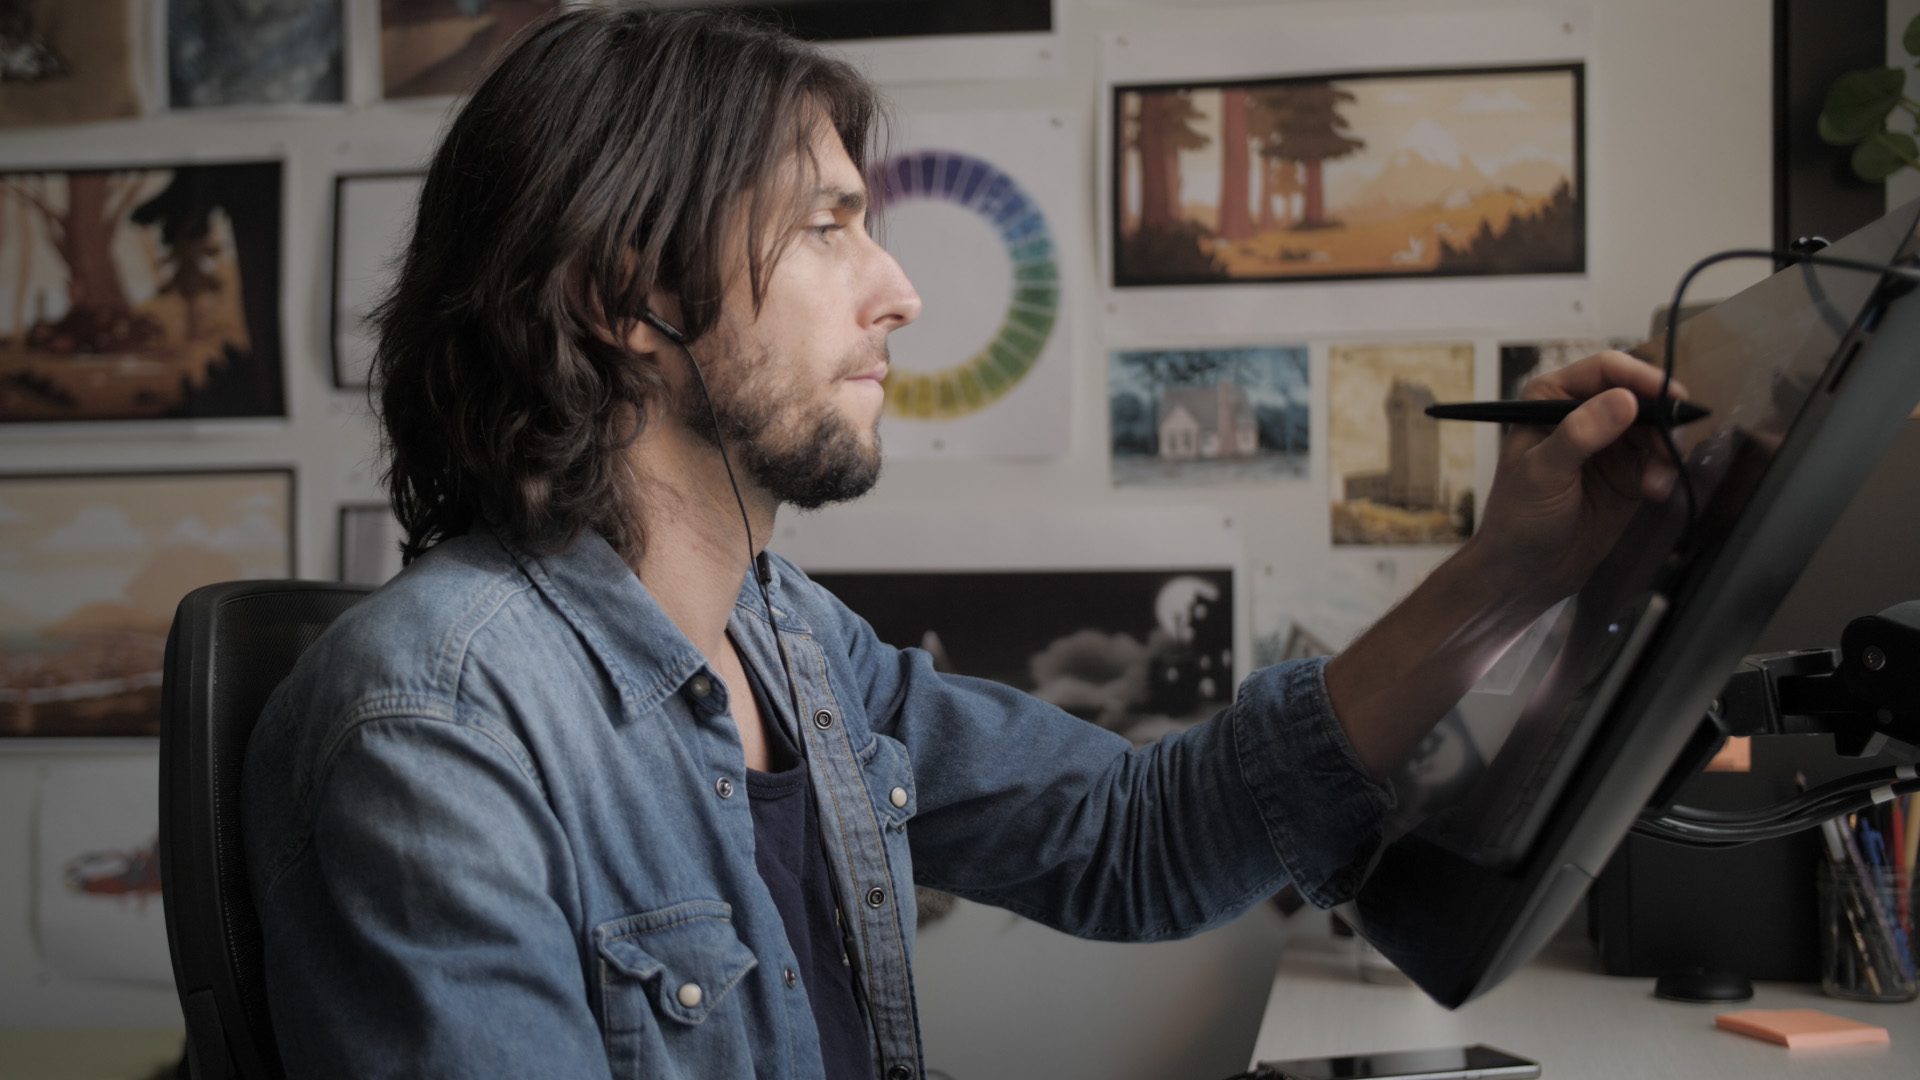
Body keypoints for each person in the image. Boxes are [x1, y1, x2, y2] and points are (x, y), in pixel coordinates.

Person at [241, 6, 1680, 1080]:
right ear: (631, 297)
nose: (902, 291)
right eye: (827, 227)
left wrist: (1512, 573)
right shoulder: (433, 725)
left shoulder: (793, 647)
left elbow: (1141, 841)